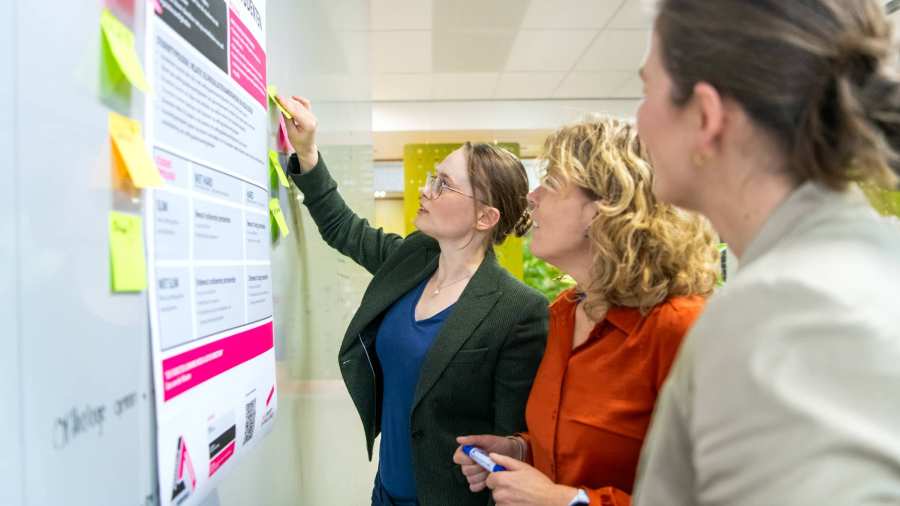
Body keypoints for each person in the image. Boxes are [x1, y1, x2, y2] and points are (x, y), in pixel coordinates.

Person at [632, 1, 900, 504]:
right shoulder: (863, 259)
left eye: (646, 90)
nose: (638, 119)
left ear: (706, 117)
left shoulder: (789, 309)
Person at [277, 95, 547, 506]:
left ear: (485, 217)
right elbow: (343, 228)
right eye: (432, 177)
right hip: (385, 491)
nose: (425, 188)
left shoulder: (517, 309)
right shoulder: (415, 258)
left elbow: (510, 446)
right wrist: (308, 151)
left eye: (443, 184)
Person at [453, 117, 720, 506]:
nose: (533, 196)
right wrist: (519, 450)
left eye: (553, 183)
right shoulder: (564, 314)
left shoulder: (681, 327)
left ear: (604, 209)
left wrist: (570, 502)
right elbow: (576, 447)